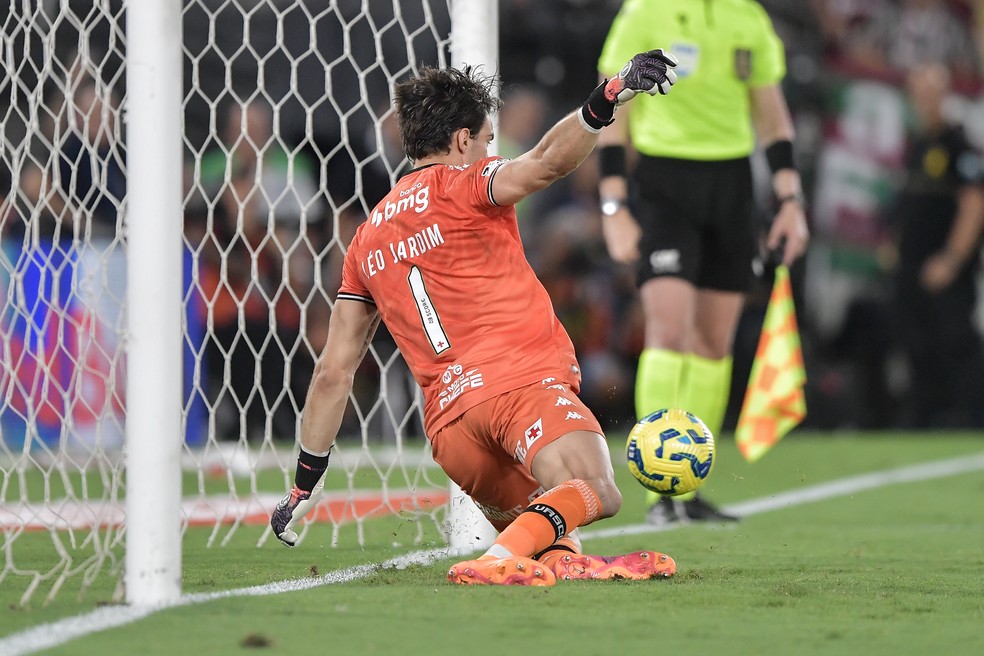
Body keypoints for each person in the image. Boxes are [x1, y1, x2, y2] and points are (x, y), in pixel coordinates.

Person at [271, 49, 680, 586]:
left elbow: (333, 370)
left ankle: (561, 560)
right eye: (487, 140)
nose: (490, 150)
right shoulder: (466, 184)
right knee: (597, 489)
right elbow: (547, 162)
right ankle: (491, 561)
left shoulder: (365, 240)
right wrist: (608, 97)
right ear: (463, 141)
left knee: (553, 535)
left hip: (453, 433)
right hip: (518, 385)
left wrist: (305, 480)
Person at [596, 0, 810, 525]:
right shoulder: (644, 13)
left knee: (713, 343)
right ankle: (658, 493)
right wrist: (614, 207)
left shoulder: (748, 17)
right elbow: (612, 106)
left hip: (731, 186)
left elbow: (772, 117)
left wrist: (790, 200)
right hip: (665, 183)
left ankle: (689, 489)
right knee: (668, 331)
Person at [890, 62, 984, 428]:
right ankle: (926, 418)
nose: (923, 101)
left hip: (947, 269)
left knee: (955, 341)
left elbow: (974, 204)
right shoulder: (917, 144)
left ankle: (969, 419)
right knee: (915, 342)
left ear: (944, 95)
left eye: (930, 93)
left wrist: (951, 258)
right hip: (912, 265)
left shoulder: (958, 144)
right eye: (917, 93)